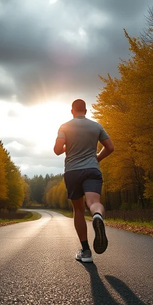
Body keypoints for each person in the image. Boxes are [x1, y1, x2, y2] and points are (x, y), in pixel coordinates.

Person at [54, 99, 114, 263]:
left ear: (72, 111)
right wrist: (97, 158)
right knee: (94, 202)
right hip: (92, 170)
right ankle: (97, 216)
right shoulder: (96, 126)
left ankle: (86, 251)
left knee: (78, 210)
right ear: (86, 111)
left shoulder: (65, 126)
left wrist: (68, 146)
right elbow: (110, 147)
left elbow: (57, 150)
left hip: (73, 171)